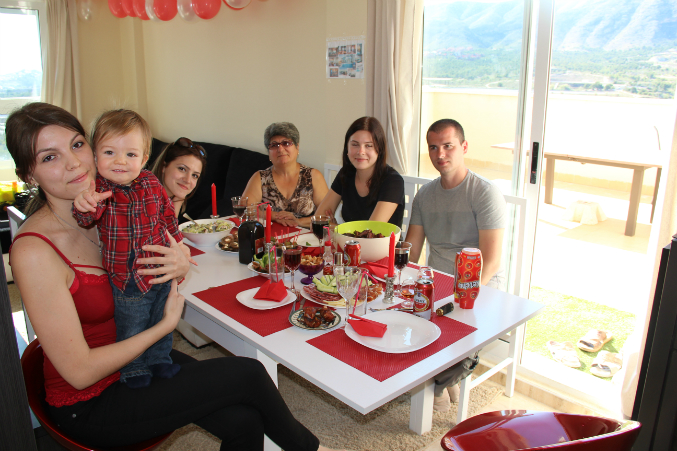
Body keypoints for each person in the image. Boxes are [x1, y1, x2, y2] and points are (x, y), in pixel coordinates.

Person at [7, 102, 339, 451]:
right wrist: (164, 327)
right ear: (29, 175)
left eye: (76, 145)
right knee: (250, 374)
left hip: (136, 354)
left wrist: (177, 267)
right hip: (92, 399)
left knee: (245, 421)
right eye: (49, 157)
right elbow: (78, 373)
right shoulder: (34, 251)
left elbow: (148, 262)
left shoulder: (106, 211)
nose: (74, 163)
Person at [71, 110, 186, 389]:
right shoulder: (97, 188)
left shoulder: (151, 182)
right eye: (109, 152)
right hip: (127, 278)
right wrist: (84, 205)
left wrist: (180, 247)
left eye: (130, 154)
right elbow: (85, 218)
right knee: (132, 325)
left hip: (161, 271)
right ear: (95, 156)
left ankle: (159, 359)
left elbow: (167, 216)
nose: (120, 161)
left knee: (161, 318)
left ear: (144, 159)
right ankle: (132, 368)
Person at [405, 118, 506, 412]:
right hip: (437, 283)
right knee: (401, 322)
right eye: (433, 147)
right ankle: (441, 377)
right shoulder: (425, 195)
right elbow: (412, 250)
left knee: (457, 339)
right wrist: (400, 279)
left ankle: (439, 381)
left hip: (479, 287)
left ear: (464, 147)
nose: (440, 154)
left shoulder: (484, 193)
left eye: (448, 146)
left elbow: (491, 261)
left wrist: (463, 297)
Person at [316, 116, 405, 228]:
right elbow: (317, 221)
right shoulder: (346, 174)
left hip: (382, 241)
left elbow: (370, 231)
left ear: (379, 150)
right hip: (346, 239)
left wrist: (335, 227)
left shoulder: (393, 181)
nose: (361, 151)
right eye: (355, 144)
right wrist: (337, 229)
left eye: (369, 146)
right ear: (347, 148)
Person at [241, 122, 329, 228]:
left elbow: (326, 216)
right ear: (269, 152)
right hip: (271, 236)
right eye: (274, 145)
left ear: (297, 148)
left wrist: (298, 221)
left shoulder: (313, 176)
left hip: (307, 235)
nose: (280, 149)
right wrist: (274, 216)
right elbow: (245, 209)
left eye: (286, 143)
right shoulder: (260, 178)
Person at [151, 137, 207, 217]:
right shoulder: (143, 201)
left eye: (195, 175)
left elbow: (171, 224)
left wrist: (178, 201)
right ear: (163, 167)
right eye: (182, 169)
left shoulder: (172, 200)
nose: (188, 180)